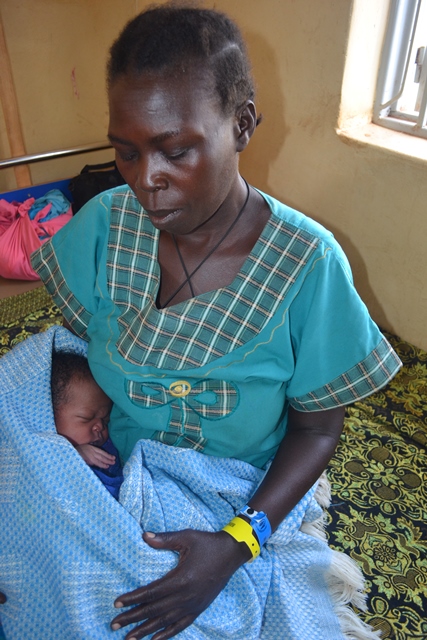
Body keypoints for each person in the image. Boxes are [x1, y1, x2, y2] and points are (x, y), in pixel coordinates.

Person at [20, 4, 401, 639]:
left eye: (176, 150)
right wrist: (75, 436)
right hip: (114, 458)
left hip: (237, 491)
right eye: (126, 152)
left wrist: (235, 544)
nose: (148, 181)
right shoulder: (105, 227)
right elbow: (84, 348)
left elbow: (314, 432)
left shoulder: (307, 267)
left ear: (243, 123)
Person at [51, 350, 124, 500]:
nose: (100, 427)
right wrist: (73, 457)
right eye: (86, 418)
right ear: (50, 414)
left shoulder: (110, 445)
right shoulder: (43, 452)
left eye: (105, 420)